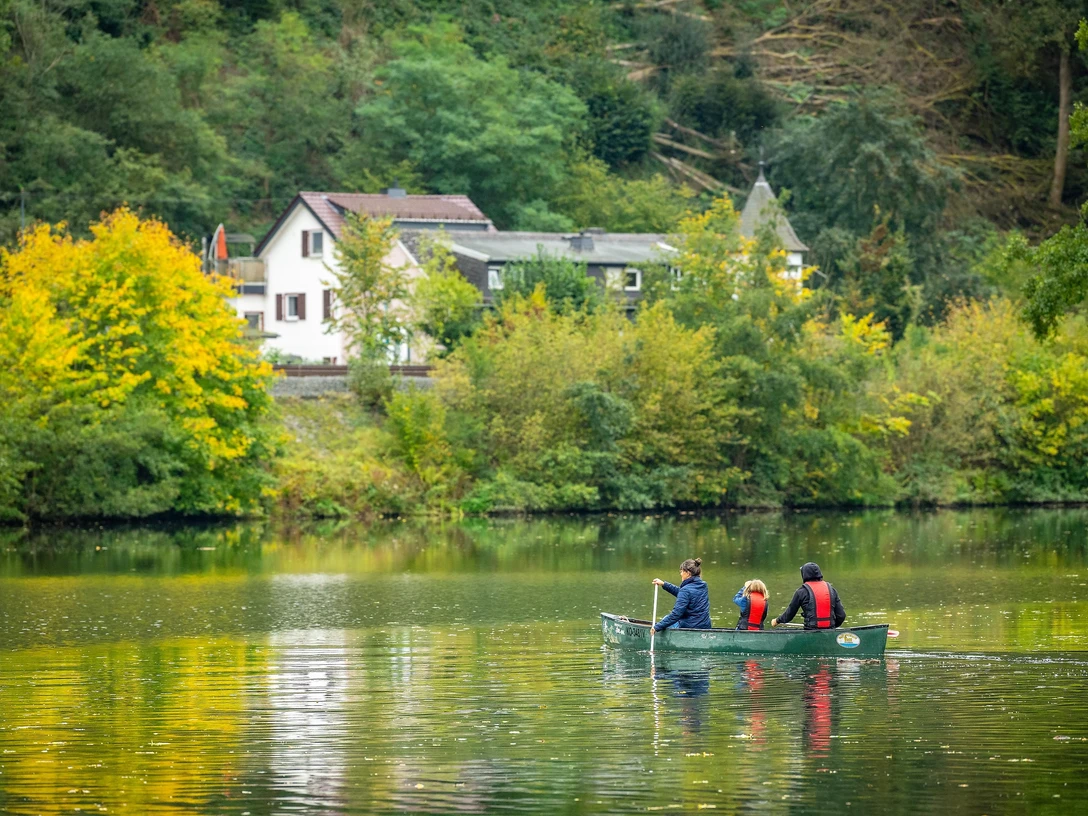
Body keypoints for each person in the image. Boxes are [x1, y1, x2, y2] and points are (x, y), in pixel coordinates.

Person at [770, 562, 845, 630]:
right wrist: (833, 627)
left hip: (811, 630)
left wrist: (777, 620)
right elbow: (841, 616)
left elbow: (789, 615)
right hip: (830, 630)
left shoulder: (801, 592)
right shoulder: (831, 590)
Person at [650, 558, 712, 631]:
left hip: (690, 627)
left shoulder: (686, 590)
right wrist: (664, 584)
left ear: (688, 573)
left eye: (682, 571)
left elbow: (676, 615)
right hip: (705, 626)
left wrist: (657, 627)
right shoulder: (703, 585)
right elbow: (683, 593)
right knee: (666, 621)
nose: (681, 574)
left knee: (666, 619)